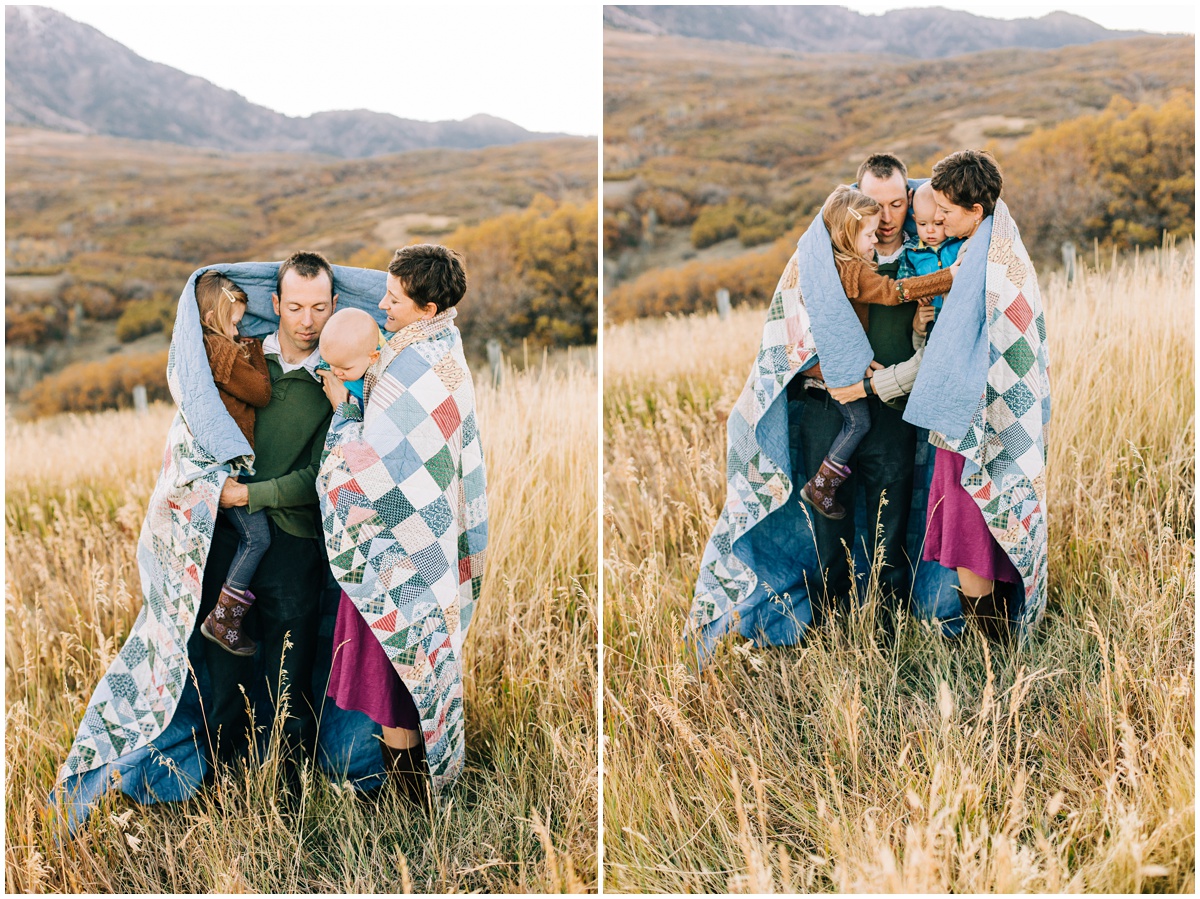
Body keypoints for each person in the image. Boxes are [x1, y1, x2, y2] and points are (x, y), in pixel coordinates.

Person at [317, 244, 487, 807]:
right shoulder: (427, 347)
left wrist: (343, 411)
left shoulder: (420, 366)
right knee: (403, 667)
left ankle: (411, 801)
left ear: (429, 308)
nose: (383, 304)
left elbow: (375, 468)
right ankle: (410, 795)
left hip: (402, 549)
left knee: (395, 669)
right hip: (415, 542)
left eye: (394, 299)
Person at [196, 250, 338, 786]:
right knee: (224, 670)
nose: (307, 321)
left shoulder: (338, 381)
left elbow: (320, 477)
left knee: (289, 677)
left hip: (294, 544)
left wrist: (247, 497)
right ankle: (224, 794)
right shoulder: (242, 358)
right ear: (276, 303)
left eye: (319, 307)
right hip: (226, 540)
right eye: (296, 306)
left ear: (335, 306)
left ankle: (289, 796)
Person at [793, 152, 925, 625]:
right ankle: (832, 633)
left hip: (893, 411)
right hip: (829, 412)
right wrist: (817, 369)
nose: (887, 218)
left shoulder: (930, 248)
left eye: (897, 204)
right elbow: (788, 329)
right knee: (830, 531)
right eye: (876, 205)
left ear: (910, 199)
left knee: (892, 527)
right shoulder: (818, 253)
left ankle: (888, 635)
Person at [798, 185, 953, 520]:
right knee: (858, 423)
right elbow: (893, 291)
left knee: (859, 425)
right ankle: (822, 483)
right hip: (844, 373)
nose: (874, 239)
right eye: (868, 234)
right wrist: (947, 278)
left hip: (844, 364)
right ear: (845, 234)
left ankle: (824, 483)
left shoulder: (823, 264)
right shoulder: (852, 270)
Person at [922, 150, 1023, 640]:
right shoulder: (989, 244)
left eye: (946, 209)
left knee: (968, 524)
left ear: (975, 211)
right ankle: (994, 634)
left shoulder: (986, 259)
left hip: (972, 419)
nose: (937, 218)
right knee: (979, 521)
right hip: (977, 413)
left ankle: (987, 644)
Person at [192, 271, 273, 657]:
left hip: (223, 462)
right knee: (257, 538)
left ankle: (224, 617)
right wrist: (253, 349)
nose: (241, 327)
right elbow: (260, 392)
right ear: (216, 315)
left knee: (247, 539)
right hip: (226, 468)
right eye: (235, 319)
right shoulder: (221, 350)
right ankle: (223, 620)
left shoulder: (203, 348)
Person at [900, 181, 962, 332]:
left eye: (938, 223)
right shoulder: (910, 252)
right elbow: (902, 284)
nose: (930, 230)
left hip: (959, 315)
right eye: (922, 224)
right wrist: (916, 291)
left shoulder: (958, 242)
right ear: (915, 220)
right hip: (931, 318)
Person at [315, 307, 385, 409]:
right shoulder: (341, 362)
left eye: (346, 368)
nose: (337, 372)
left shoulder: (382, 380)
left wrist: (342, 410)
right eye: (332, 364)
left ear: (373, 358)